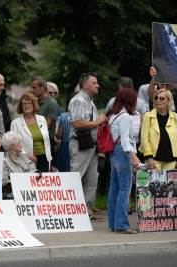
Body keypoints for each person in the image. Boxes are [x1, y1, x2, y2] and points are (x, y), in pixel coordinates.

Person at [68, 72, 107, 219]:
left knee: (91, 180)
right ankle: (71, 211)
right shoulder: (78, 100)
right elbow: (77, 123)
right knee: (76, 177)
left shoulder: (90, 101)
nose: (98, 85)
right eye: (94, 82)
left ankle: (87, 212)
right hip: (80, 144)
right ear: (85, 84)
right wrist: (97, 122)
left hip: (91, 145)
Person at [107, 86, 140, 234]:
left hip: (113, 151)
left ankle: (113, 223)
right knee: (124, 188)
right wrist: (134, 157)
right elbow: (125, 140)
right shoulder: (125, 116)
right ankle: (122, 224)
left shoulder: (113, 115)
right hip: (122, 151)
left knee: (114, 187)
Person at [140, 89, 177, 170]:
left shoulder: (175, 117)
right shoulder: (148, 116)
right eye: (156, 98)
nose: (158, 100)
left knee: (170, 183)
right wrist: (149, 157)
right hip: (154, 160)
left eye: (162, 98)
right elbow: (144, 139)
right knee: (153, 182)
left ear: (169, 101)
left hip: (171, 160)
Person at [11, 92, 51, 172]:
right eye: (24, 104)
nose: (26, 106)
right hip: (27, 159)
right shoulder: (15, 123)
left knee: (43, 183)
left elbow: (47, 140)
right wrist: (26, 156)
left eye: (29, 103)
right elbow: (14, 144)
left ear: (34, 104)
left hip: (44, 157)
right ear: (21, 107)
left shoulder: (42, 119)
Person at [1, 131, 36, 199]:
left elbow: (33, 170)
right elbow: (4, 182)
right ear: (11, 146)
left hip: (29, 193)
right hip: (13, 196)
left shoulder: (23, 157)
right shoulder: (4, 162)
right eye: (19, 143)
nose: (21, 145)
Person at [31, 76, 61, 148]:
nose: (33, 90)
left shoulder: (51, 103)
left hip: (46, 144)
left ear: (43, 87)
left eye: (35, 88)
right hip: (34, 141)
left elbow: (45, 127)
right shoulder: (35, 102)